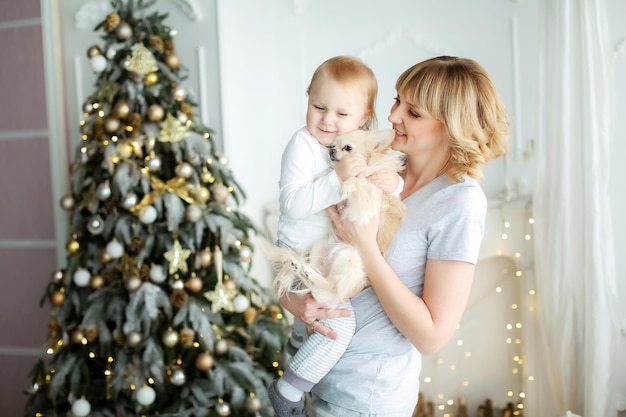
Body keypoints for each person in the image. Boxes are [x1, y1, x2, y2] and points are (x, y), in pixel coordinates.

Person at [279, 55, 509, 416]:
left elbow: (432, 336)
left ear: (451, 127)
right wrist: (292, 300)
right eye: (397, 99)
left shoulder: (459, 203)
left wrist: (365, 246)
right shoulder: (380, 160)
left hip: (362, 398)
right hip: (310, 370)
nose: (392, 116)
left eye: (413, 112)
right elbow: (304, 235)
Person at [268, 55, 403, 417]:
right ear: (308, 97)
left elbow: (376, 176)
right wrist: (337, 178)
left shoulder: (355, 145)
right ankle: (288, 391)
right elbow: (294, 204)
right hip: (299, 255)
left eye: (341, 114)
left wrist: (396, 182)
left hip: (323, 256)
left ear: (364, 117)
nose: (327, 120)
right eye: (318, 106)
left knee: (311, 329)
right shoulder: (302, 145)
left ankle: (297, 366)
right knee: (339, 326)